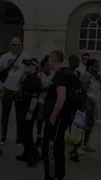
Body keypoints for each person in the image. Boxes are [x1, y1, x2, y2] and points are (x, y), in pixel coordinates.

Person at [42, 51, 72, 180]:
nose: (48, 62)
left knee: (52, 148)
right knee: (56, 146)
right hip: (60, 117)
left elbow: (61, 97)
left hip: (57, 118)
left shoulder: (60, 75)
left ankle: (54, 176)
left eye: (49, 59)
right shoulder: (64, 74)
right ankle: (56, 175)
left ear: (53, 59)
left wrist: (54, 114)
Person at [0, 36, 30, 146]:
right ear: (10, 45)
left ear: (21, 46)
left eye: (18, 45)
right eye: (13, 44)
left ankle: (18, 139)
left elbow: (28, 72)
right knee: (5, 115)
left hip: (19, 90)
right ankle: (3, 137)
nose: (15, 47)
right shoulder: (5, 57)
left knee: (19, 116)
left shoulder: (25, 57)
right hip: (6, 89)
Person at [16, 59, 42, 167]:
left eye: (26, 66)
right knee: (23, 133)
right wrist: (23, 74)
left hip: (29, 109)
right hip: (22, 107)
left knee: (26, 134)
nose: (24, 68)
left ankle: (35, 155)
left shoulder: (35, 79)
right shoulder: (27, 77)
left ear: (33, 66)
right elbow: (18, 85)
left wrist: (30, 112)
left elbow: (34, 98)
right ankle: (26, 154)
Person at [80, 58, 101, 153]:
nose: (98, 68)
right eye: (96, 67)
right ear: (89, 67)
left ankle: (86, 143)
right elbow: (82, 91)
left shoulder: (96, 76)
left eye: (99, 67)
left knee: (91, 123)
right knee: (84, 124)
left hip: (95, 104)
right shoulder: (86, 76)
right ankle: (79, 146)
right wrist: (87, 101)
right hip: (87, 104)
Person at [36, 55, 54, 147]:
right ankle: (39, 137)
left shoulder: (54, 75)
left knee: (49, 121)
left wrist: (46, 88)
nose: (47, 67)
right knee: (40, 120)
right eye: (45, 66)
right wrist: (47, 88)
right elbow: (39, 89)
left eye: (48, 65)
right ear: (42, 67)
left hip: (50, 102)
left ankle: (47, 137)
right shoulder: (39, 76)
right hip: (41, 101)